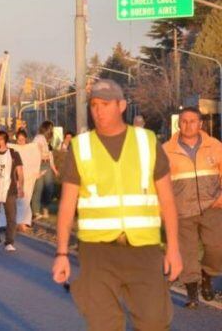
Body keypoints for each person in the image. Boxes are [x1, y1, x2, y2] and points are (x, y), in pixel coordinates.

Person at [52, 79, 181, 330]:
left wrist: (174, 248)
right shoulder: (81, 147)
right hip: (97, 253)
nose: (98, 111)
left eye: (105, 104)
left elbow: (167, 200)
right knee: (104, 325)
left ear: (121, 105)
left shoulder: (147, 142)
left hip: (143, 250)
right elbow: (67, 206)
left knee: (154, 322)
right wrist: (61, 253)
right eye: (94, 105)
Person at [163, 106, 222, 308]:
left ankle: (207, 275)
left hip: (212, 206)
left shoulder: (215, 146)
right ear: (179, 124)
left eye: (193, 121)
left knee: (217, 248)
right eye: (184, 121)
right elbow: (160, 182)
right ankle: (192, 293)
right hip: (182, 210)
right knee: (187, 252)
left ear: (200, 124)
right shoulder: (166, 150)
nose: (188, 125)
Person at [31, 121, 58, 220]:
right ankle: (36, 211)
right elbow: (35, 151)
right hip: (39, 164)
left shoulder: (48, 140)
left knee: (49, 188)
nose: (52, 130)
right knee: (38, 188)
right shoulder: (38, 138)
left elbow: (50, 156)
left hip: (47, 164)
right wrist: (36, 168)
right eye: (51, 128)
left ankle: (45, 208)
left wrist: (54, 169)